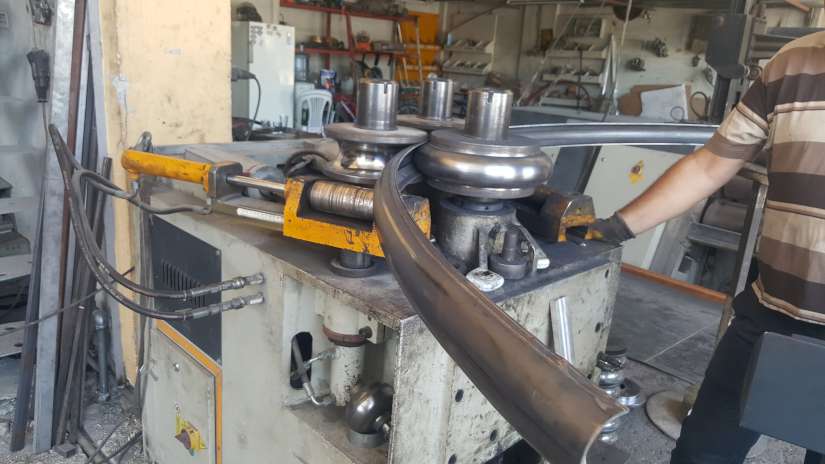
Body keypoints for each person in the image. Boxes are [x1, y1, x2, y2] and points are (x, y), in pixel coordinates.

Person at [591, 30, 825, 464]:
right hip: (770, 313)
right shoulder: (791, 62)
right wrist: (616, 228)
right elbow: (711, 165)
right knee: (702, 453)